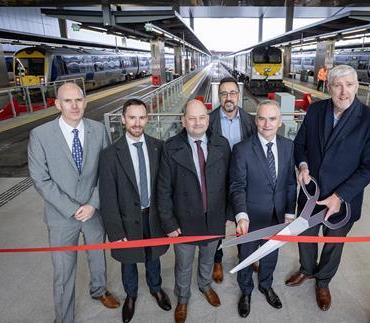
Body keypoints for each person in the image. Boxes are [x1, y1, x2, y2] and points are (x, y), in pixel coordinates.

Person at [286, 64, 370, 311]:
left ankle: (323, 281)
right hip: (312, 194)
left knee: (334, 242)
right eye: (337, 85)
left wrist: (340, 195)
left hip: (343, 200)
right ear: (328, 87)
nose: (343, 92)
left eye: (349, 85)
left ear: (357, 86)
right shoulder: (316, 110)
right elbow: (300, 145)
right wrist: (304, 165)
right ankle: (307, 270)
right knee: (305, 235)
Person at [27, 82, 120, 323]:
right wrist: (71, 208)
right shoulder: (40, 135)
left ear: (85, 102)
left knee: (97, 258)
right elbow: (40, 178)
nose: (74, 105)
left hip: (93, 210)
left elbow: (106, 172)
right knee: (63, 271)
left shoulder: (98, 130)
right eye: (68, 101)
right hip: (61, 216)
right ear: (57, 104)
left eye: (79, 99)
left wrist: (93, 204)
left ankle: (99, 290)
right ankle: (64, 317)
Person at [157, 99, 231, 323]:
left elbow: (230, 182)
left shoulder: (222, 144)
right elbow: (163, 189)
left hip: (214, 218)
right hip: (184, 222)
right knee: (183, 264)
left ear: (208, 120)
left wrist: (227, 215)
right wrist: (169, 223)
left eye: (201, 118)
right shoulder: (170, 147)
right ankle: (182, 297)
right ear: (183, 120)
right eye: (192, 118)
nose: (197, 123)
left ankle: (205, 285)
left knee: (208, 259)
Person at [98, 98, 171, 323]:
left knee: (153, 255)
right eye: (132, 117)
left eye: (141, 117)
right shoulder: (110, 154)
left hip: (153, 215)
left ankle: (155, 287)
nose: (137, 123)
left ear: (147, 119)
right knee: (128, 260)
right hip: (126, 219)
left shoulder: (159, 147)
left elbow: (166, 186)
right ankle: (131, 295)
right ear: (123, 120)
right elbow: (108, 197)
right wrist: (116, 232)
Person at [230, 100, 297, 318]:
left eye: (272, 119)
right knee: (247, 257)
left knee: (270, 255)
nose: (266, 124)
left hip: (277, 215)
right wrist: (241, 214)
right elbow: (237, 186)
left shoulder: (288, 146)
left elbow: (289, 183)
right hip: (250, 218)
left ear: (280, 122)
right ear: (255, 120)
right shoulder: (242, 149)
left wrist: (289, 213)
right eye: (262, 118)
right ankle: (246, 290)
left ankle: (266, 285)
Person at [208, 76, 257, 283]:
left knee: (242, 217)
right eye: (224, 93)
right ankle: (217, 260)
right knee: (217, 223)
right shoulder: (208, 121)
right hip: (215, 182)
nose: (228, 97)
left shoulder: (249, 120)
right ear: (219, 96)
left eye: (232, 93)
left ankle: (243, 253)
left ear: (239, 95)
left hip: (241, 181)